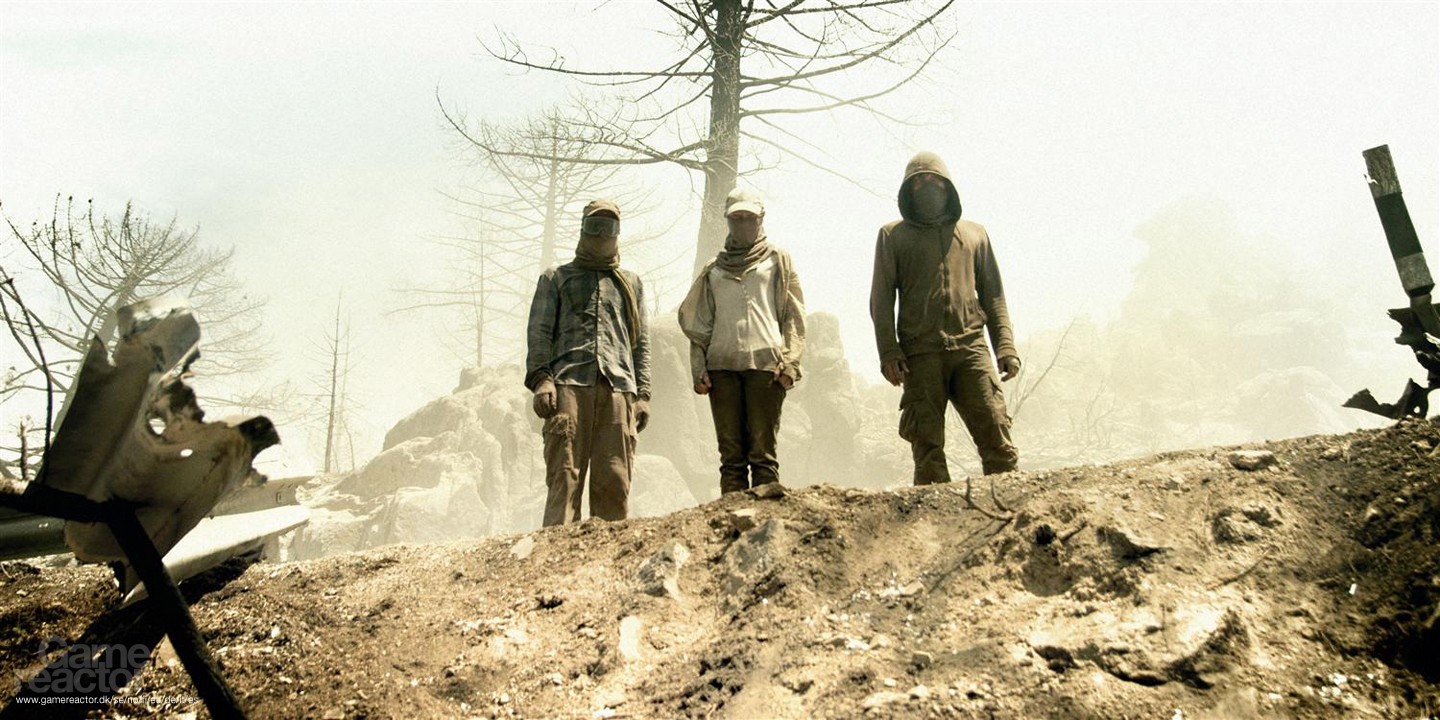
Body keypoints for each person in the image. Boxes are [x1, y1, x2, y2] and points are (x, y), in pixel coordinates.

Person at [869, 151, 1020, 485]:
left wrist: (1005, 347)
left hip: (971, 349)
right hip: (920, 353)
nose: (927, 185)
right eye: (919, 181)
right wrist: (889, 352)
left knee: (996, 432)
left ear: (948, 185)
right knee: (927, 446)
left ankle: (1008, 507)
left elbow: (994, 295)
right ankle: (932, 516)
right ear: (907, 190)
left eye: (934, 179)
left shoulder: (974, 234)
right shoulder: (893, 236)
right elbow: (881, 300)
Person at [525, 199, 651, 526]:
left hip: (618, 390)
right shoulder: (556, 278)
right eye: (595, 226)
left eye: (609, 228)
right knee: (564, 479)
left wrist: (643, 395)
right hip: (568, 387)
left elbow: (640, 343)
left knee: (615, 481)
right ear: (582, 230)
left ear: (618, 233)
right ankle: (554, 554)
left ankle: (610, 554)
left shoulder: (630, 283)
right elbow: (539, 333)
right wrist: (542, 380)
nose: (601, 235)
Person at [679, 188, 806, 495]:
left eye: (749, 217)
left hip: (766, 367)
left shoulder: (778, 260)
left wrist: (791, 363)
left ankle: (766, 521)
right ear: (728, 221)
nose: (744, 224)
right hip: (722, 367)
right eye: (737, 218)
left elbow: (794, 316)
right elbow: (699, 325)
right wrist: (698, 369)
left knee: (763, 455)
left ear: (761, 219)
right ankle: (733, 518)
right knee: (731, 459)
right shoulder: (714, 269)